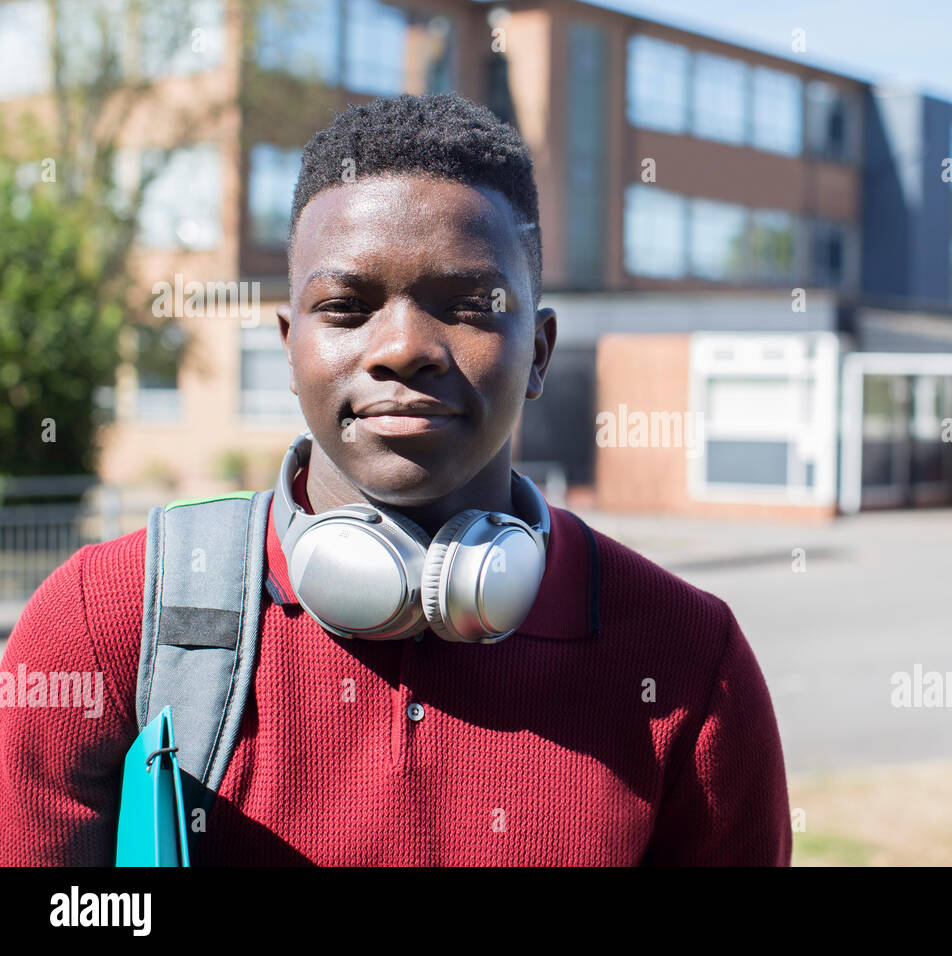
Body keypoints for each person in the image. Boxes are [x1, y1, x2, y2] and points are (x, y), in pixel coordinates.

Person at [0, 93, 792, 866]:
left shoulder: (689, 659)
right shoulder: (103, 623)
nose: (403, 347)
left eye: (467, 305)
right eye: (346, 305)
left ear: (540, 353)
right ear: (288, 346)